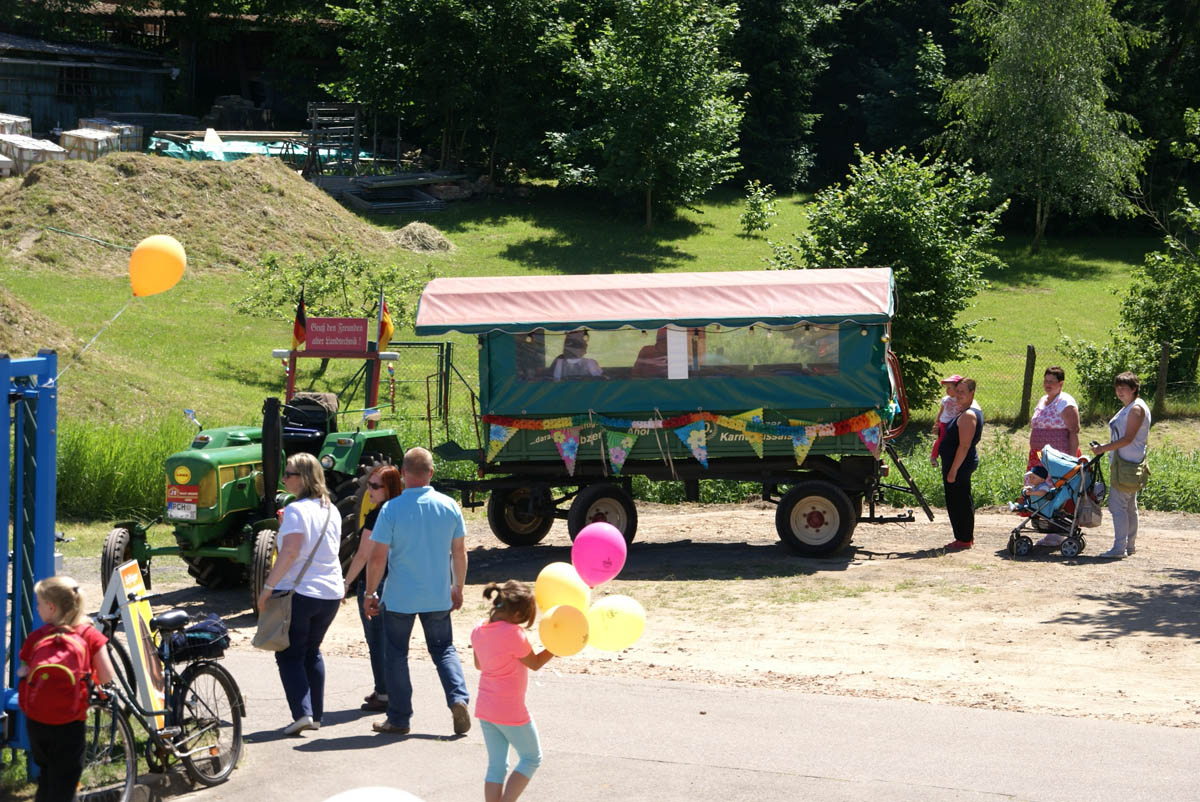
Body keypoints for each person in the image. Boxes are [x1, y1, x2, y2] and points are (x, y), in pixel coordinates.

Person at [363, 446, 471, 735]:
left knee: (396, 653)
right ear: (431, 473)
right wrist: (457, 586)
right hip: (437, 593)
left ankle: (399, 718)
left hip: (400, 596)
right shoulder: (449, 506)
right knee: (444, 649)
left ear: (403, 473)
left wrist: (370, 593)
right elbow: (459, 552)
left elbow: (377, 557)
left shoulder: (391, 509)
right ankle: (458, 699)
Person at [257, 452, 344, 736]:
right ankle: (315, 715)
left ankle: (302, 713)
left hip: (301, 592)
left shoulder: (296, 510)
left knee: (289, 654)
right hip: (330, 592)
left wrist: (268, 587)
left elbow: (291, 552)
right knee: (311, 652)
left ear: (305, 478)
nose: (284, 478)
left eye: (289, 474)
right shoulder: (332, 509)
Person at [18, 576, 115, 802]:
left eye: (38, 603)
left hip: (37, 722)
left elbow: (23, 672)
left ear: (51, 607)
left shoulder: (36, 638)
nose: (37, 607)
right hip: (70, 722)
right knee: (66, 780)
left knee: (47, 776)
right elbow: (107, 675)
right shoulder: (89, 635)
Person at [471, 581, 554, 802]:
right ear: (517, 613)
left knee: (497, 766)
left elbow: (479, 665)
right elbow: (534, 663)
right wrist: (556, 645)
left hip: (485, 707)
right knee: (531, 758)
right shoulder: (514, 633)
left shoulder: (478, 628)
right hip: (510, 710)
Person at [342, 463, 403, 712]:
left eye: (375, 486)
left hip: (374, 584)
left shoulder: (378, 514)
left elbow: (363, 554)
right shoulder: (401, 510)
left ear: (389, 488)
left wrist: (346, 583)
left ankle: (384, 694)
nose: (370, 490)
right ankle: (389, 689)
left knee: (376, 640)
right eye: (369, 484)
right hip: (397, 583)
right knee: (391, 641)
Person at [1090, 371, 1151, 559]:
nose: (1119, 391)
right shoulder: (1130, 406)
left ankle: (1119, 548)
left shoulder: (1135, 409)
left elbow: (1128, 438)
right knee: (1129, 506)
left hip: (1127, 466)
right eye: (1117, 387)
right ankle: (1129, 546)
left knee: (1117, 506)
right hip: (1127, 464)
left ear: (1134, 389)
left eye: (1124, 388)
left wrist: (1103, 449)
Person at [938, 377, 983, 551]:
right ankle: (963, 537)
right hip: (957, 464)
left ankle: (964, 539)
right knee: (958, 499)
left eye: (962, 392)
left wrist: (953, 471)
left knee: (959, 501)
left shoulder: (968, 415)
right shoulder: (962, 411)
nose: (958, 395)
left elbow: (964, 446)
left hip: (959, 465)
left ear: (972, 393)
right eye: (957, 391)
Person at [1028, 366, 1080, 469]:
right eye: (1046, 381)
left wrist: (1071, 461)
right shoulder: (1043, 400)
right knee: (1037, 484)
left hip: (1059, 457)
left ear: (1061, 384)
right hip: (1039, 455)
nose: (1048, 384)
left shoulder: (1065, 401)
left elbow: (1074, 431)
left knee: (1054, 484)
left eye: (1051, 382)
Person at [930, 374, 965, 465]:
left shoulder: (961, 400)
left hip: (955, 424)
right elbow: (941, 411)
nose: (947, 390)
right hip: (944, 423)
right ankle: (933, 457)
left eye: (949, 388)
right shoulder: (945, 399)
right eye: (946, 388)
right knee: (941, 439)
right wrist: (937, 422)